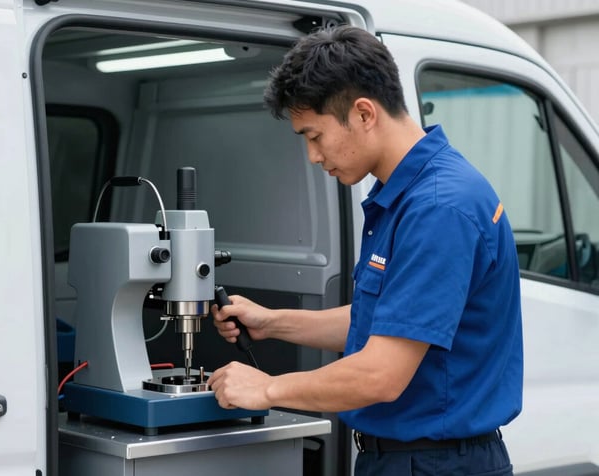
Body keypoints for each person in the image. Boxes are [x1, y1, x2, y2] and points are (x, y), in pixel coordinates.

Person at [207, 25, 523, 475]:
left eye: (314, 136)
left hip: (433, 464)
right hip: (408, 459)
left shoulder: (438, 208)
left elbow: (381, 373)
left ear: (363, 114)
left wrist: (266, 389)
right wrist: (274, 322)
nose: (314, 157)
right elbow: (384, 323)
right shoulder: (408, 194)